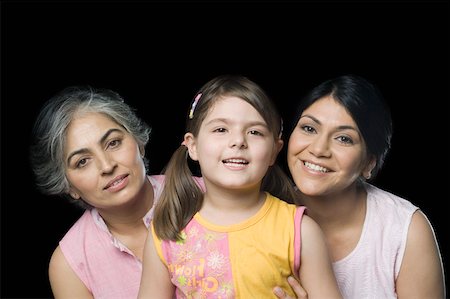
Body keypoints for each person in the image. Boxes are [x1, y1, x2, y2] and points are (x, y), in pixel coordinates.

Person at [137, 75, 343, 298]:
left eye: (254, 132)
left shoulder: (301, 231)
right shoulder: (166, 233)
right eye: (221, 130)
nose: (238, 141)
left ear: (274, 150)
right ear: (193, 145)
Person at [275, 74, 445, 298]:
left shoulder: (404, 230)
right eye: (309, 128)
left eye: (344, 138)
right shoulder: (264, 211)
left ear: (369, 163)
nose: (318, 149)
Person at [30, 86, 203, 299]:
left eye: (113, 143)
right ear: (69, 186)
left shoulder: (206, 194)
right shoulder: (69, 264)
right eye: (82, 161)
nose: (107, 166)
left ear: (138, 142)